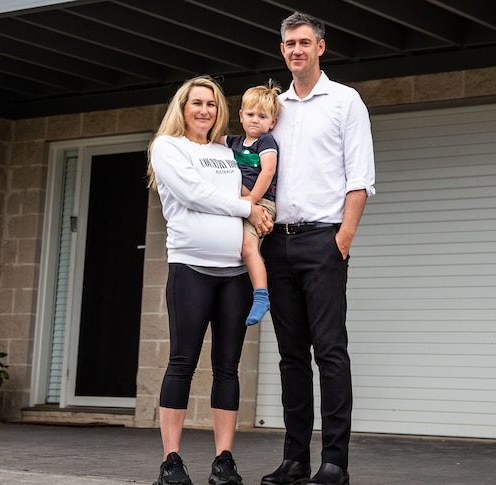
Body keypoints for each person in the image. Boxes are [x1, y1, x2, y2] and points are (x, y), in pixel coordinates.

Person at [259, 11, 375, 485]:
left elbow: (360, 177)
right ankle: (294, 460)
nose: (296, 50)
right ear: (282, 50)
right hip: (278, 245)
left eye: (304, 42)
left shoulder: (345, 101)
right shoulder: (275, 108)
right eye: (289, 44)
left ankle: (334, 463)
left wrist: (342, 239)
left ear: (321, 47)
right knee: (291, 356)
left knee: (329, 351)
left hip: (324, 242)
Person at [147, 75, 273, 485]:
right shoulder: (167, 147)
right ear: (182, 107)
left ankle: (224, 460)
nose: (204, 110)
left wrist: (259, 211)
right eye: (197, 103)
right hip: (191, 268)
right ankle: (171, 460)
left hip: (234, 274)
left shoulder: (225, 150)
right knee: (182, 363)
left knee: (228, 368)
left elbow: (248, 186)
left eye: (212, 104)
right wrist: (245, 210)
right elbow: (193, 194)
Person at [223, 80, 282, 326]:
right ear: (240, 115)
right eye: (250, 114)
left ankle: (261, 296)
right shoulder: (234, 142)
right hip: (242, 203)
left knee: (248, 248)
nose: (255, 120)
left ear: (272, 122)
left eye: (262, 116)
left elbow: (268, 172)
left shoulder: (265, 142)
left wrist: (251, 201)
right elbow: (206, 141)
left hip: (262, 202)